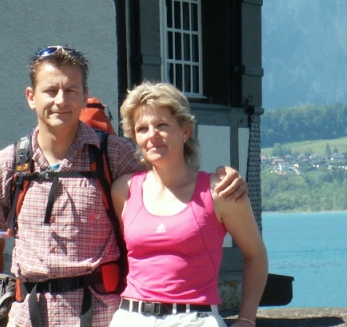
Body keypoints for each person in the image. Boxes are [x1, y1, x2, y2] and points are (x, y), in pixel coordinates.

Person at [0, 46, 246, 327]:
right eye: (50, 90)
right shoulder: (6, 164)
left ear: (84, 96)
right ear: (31, 97)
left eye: (71, 90)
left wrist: (223, 177)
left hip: (101, 315)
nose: (60, 100)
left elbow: (169, 181)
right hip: (27, 316)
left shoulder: (115, 154)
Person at [110, 81, 268, 327]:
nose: (152, 135)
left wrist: (247, 319)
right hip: (131, 317)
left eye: (162, 125)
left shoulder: (219, 190)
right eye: (142, 128)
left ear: (185, 131)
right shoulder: (124, 190)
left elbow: (256, 255)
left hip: (194, 318)